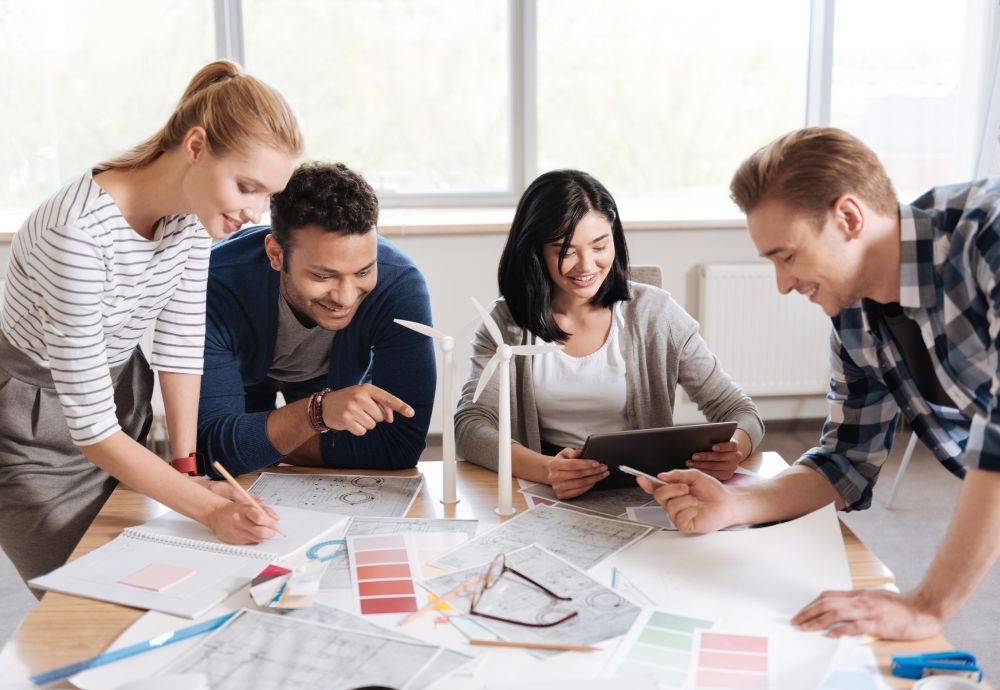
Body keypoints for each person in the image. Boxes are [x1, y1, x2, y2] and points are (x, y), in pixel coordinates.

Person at [637, 126, 1000, 640]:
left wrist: (927, 607)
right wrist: (736, 503)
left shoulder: (988, 236)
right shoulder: (854, 319)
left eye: (787, 256)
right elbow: (844, 466)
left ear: (849, 218)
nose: (783, 284)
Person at [0, 60, 300, 587]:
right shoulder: (77, 234)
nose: (255, 212)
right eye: (246, 186)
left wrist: (189, 472)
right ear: (196, 147)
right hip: (30, 420)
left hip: (119, 394)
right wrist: (205, 510)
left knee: (143, 576)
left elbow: (181, 345)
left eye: (267, 197)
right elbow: (92, 432)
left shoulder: (192, 216)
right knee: (80, 594)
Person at [455, 169, 764, 499]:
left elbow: (741, 412)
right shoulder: (506, 324)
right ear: (535, 251)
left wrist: (734, 447)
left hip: (646, 491)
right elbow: (471, 427)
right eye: (566, 251)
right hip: (550, 490)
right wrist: (546, 469)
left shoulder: (656, 313)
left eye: (600, 246)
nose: (587, 266)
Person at [196, 162, 435, 476]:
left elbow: (398, 446)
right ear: (276, 254)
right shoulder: (212, 285)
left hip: (330, 383)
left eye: (363, 271)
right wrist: (315, 414)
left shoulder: (399, 287)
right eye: (324, 276)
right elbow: (211, 451)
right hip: (243, 376)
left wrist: (254, 443)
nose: (346, 297)